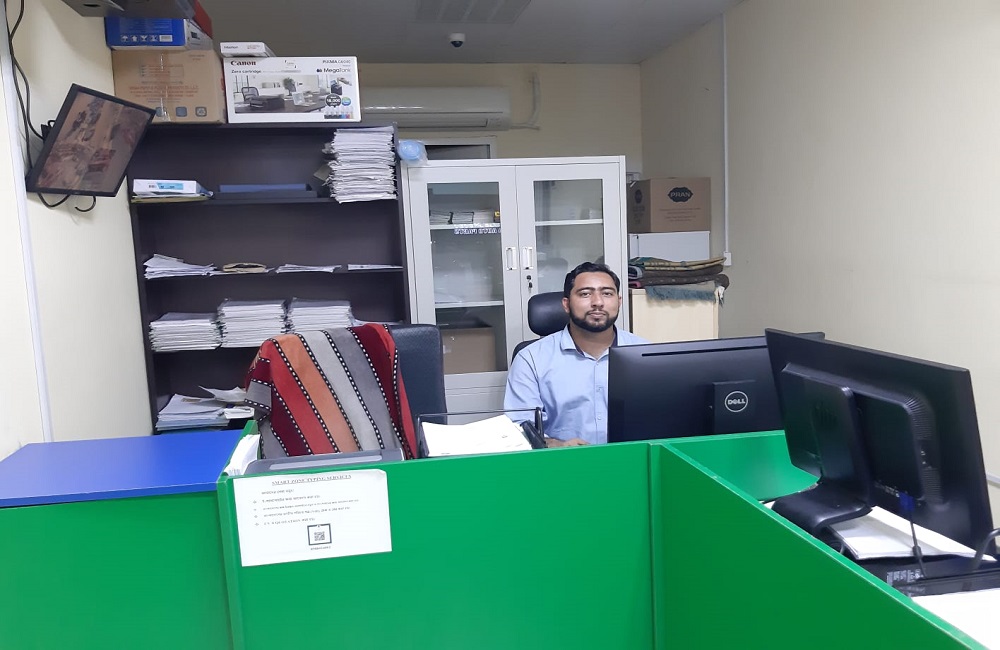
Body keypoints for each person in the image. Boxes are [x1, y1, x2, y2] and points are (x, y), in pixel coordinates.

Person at [504, 261, 648, 447]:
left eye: (607, 293)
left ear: (619, 302)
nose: (598, 302)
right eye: (585, 294)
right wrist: (556, 445)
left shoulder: (645, 354)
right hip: (562, 461)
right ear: (566, 304)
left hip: (633, 458)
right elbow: (519, 430)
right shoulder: (531, 359)